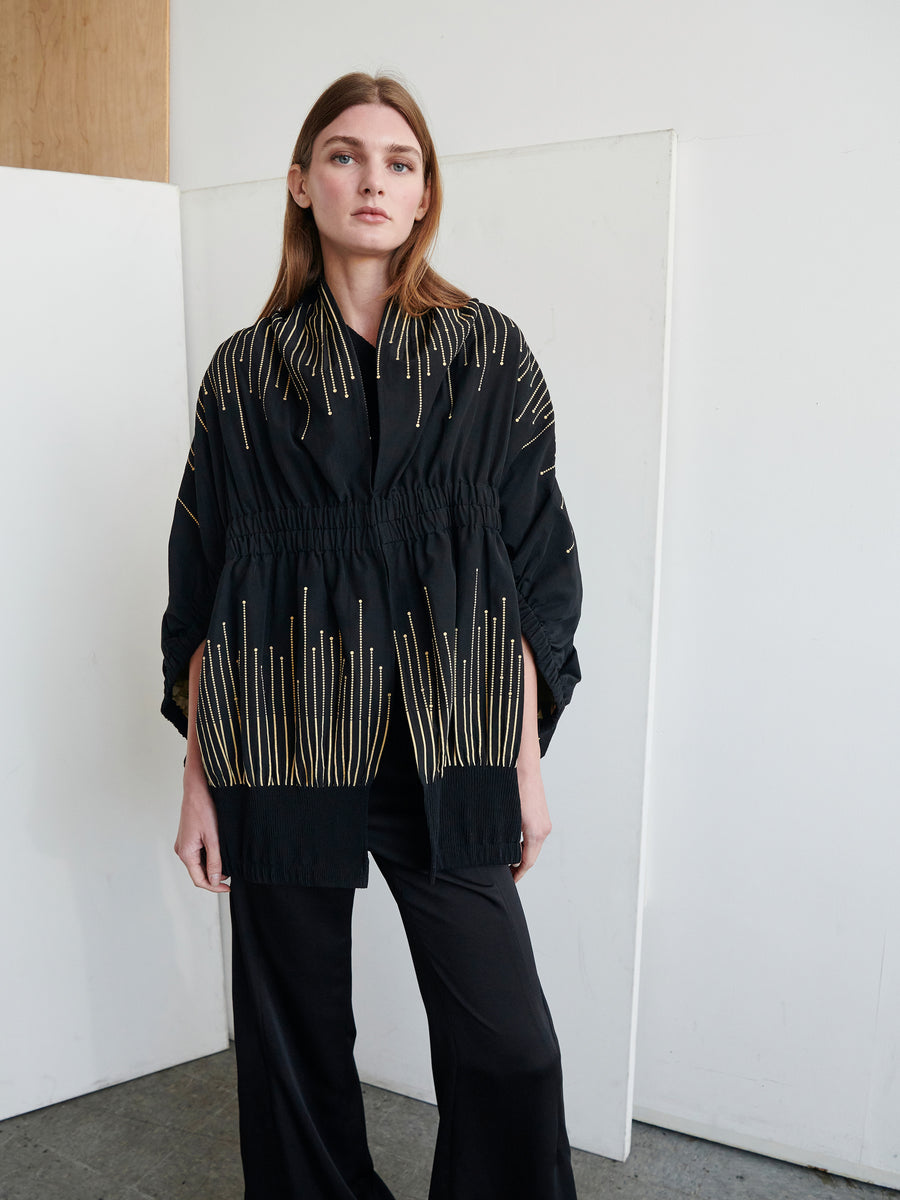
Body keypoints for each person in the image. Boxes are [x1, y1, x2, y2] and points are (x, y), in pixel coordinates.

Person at [162, 70, 583, 1200]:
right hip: (281, 737)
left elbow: (535, 583)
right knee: (296, 1053)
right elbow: (202, 590)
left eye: (401, 161)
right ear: (302, 184)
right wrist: (201, 779)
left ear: (424, 192)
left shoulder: (488, 356)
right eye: (345, 155)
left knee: (514, 1049)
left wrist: (523, 768)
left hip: (448, 745)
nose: (373, 179)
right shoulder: (245, 379)